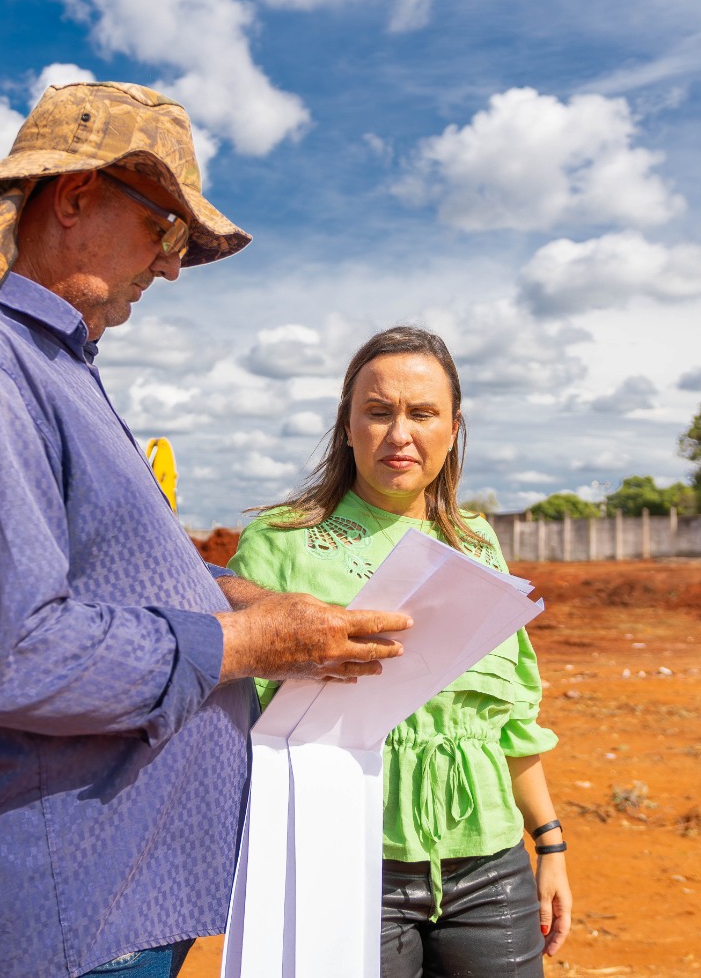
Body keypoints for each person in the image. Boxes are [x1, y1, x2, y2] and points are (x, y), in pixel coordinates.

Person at [0, 81, 412, 978]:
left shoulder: (43, 363)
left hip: (104, 899)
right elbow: (14, 655)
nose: (174, 265)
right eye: (166, 230)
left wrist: (231, 595)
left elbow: (90, 583)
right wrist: (247, 642)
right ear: (74, 196)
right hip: (50, 916)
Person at [228, 326, 571, 977]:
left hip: (491, 871)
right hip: (344, 867)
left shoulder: (476, 544)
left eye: (423, 413)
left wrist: (548, 841)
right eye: (378, 412)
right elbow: (238, 722)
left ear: (453, 427)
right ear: (348, 425)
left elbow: (506, 716)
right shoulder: (278, 544)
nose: (399, 433)